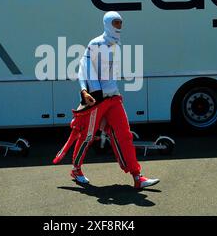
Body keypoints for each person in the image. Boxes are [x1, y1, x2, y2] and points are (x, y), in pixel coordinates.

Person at [54, 11, 159, 189]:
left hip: (114, 97)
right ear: (108, 23)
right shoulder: (96, 44)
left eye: (120, 23)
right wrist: (84, 91)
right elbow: (82, 68)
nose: (119, 26)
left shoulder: (116, 44)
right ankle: (76, 169)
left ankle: (136, 176)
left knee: (124, 135)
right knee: (87, 136)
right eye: (116, 23)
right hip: (97, 100)